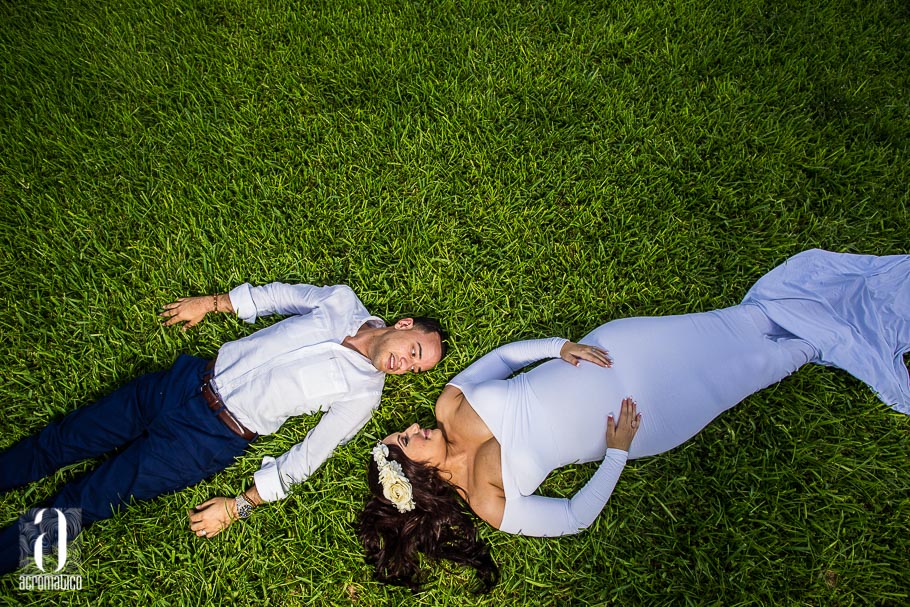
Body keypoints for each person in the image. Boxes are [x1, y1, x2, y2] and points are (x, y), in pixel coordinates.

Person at [358, 249, 910, 592]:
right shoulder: (488, 500)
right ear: (416, 481)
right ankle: (848, 330)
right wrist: (617, 450)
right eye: (408, 442)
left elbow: (502, 359)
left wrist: (560, 347)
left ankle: (845, 299)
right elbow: (574, 517)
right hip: (650, 416)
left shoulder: (449, 406)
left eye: (404, 432)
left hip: (624, 349)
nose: (415, 429)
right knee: (776, 358)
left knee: (745, 322)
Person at [1, 282, 447, 573]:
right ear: (403, 325)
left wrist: (239, 507)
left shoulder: (363, 395)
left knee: (89, 499)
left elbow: (307, 457)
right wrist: (211, 304)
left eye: (415, 368)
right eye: (412, 351)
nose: (404, 365)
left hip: (206, 440)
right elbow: (277, 298)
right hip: (185, 381)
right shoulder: (341, 302)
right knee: (61, 440)